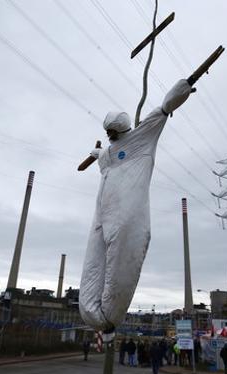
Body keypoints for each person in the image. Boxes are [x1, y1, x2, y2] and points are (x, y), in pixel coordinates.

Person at [79, 80, 194, 337]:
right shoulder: (109, 153)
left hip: (127, 212)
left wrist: (184, 88)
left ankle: (111, 317)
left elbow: (162, 111)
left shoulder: (140, 138)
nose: (111, 136)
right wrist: (96, 153)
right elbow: (102, 155)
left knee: (123, 258)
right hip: (102, 212)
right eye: (108, 132)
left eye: (113, 132)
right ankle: (91, 313)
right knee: (94, 261)